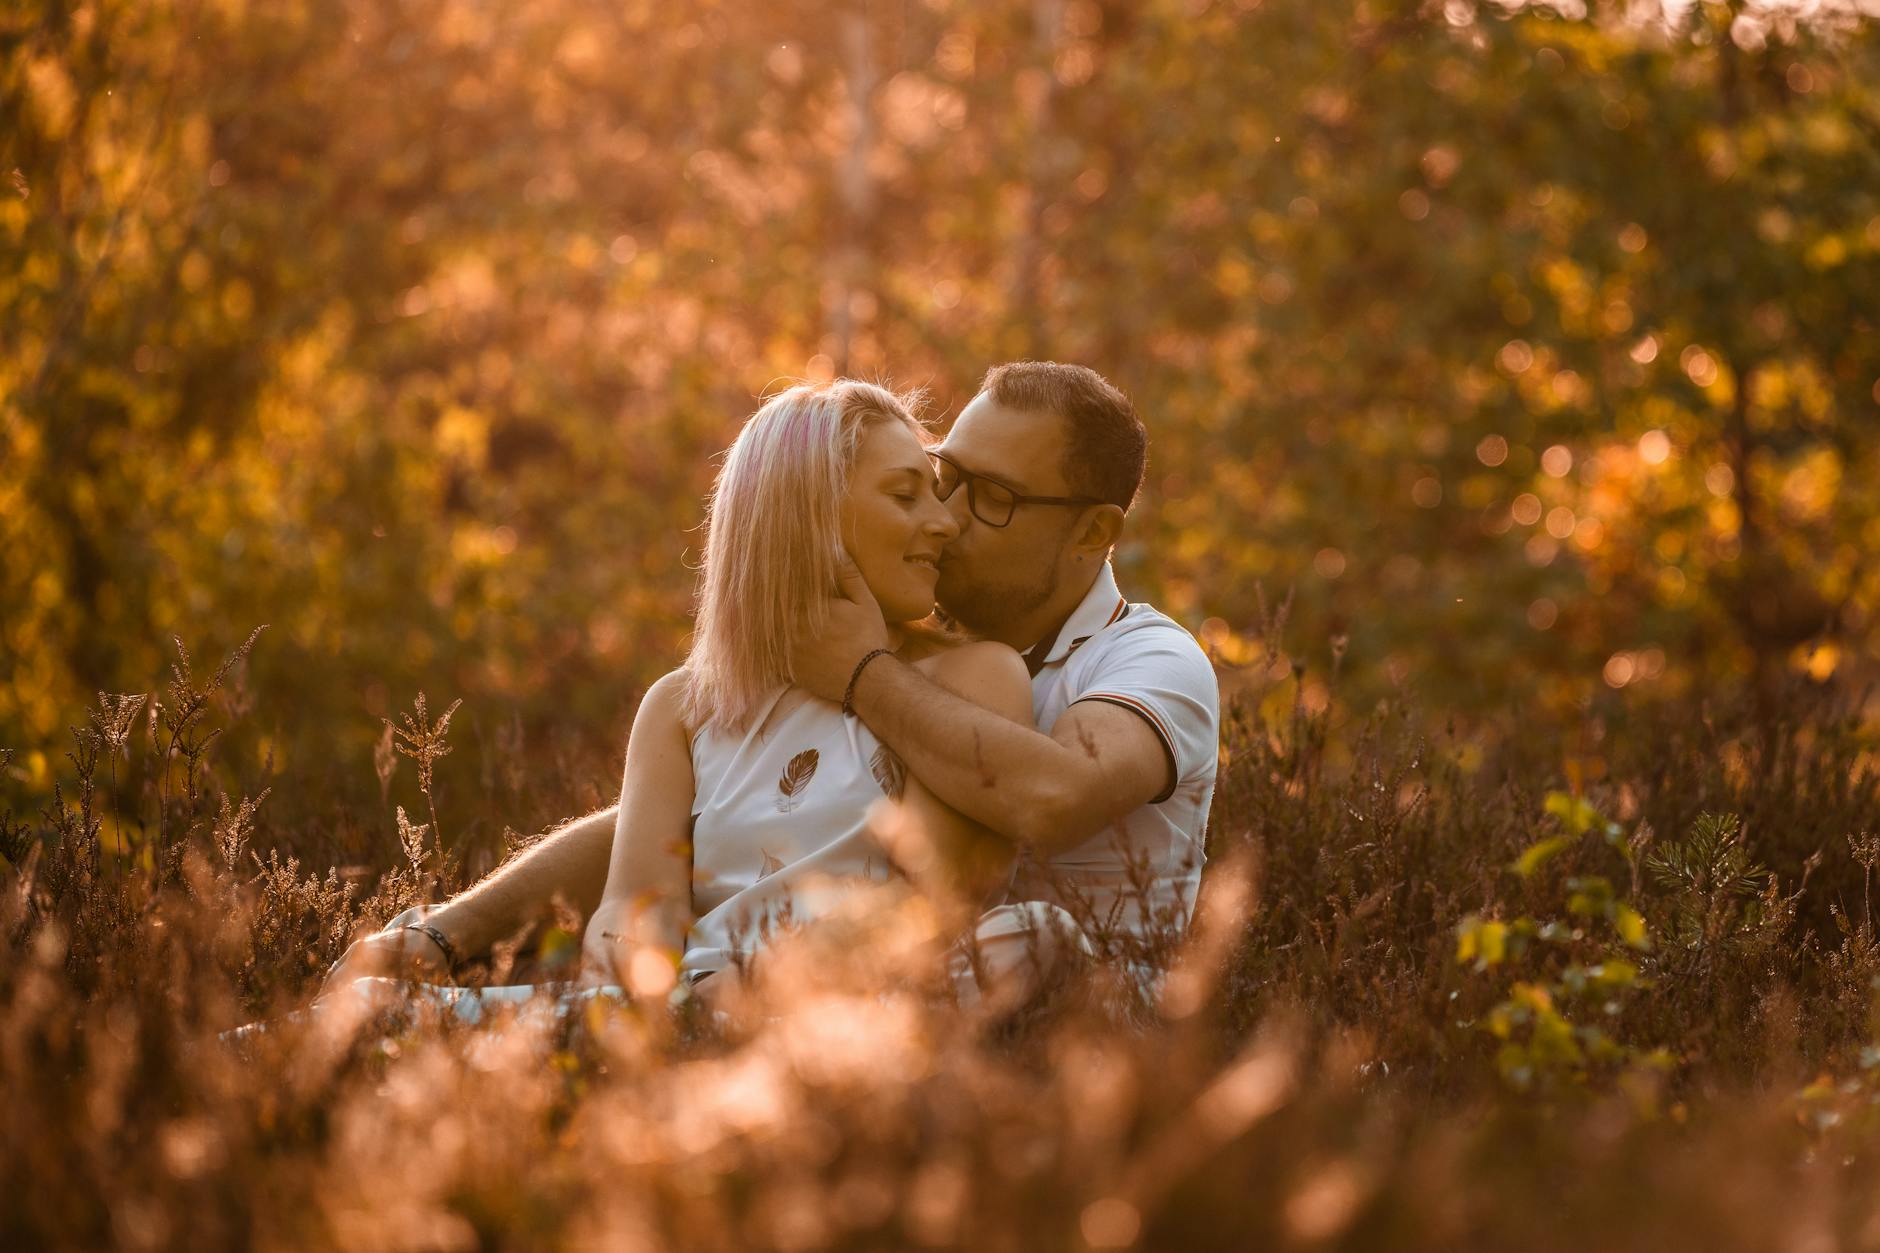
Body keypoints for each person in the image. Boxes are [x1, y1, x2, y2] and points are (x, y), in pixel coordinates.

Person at [322, 362, 1218, 1009]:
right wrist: (447, 933)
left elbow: (1049, 799)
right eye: (943, 476)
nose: (946, 516)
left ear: (1093, 534)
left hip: (1050, 1019)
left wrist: (862, 674)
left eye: (992, 498)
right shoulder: (738, 692)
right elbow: (677, 828)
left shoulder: (1150, 663)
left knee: (1031, 938)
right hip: (772, 1001)